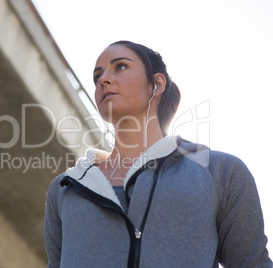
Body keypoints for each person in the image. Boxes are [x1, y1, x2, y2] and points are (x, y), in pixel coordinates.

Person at [44, 40, 272, 268]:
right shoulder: (64, 188)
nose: (103, 80)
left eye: (120, 66)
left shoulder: (220, 172)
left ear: (157, 83)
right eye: (97, 77)